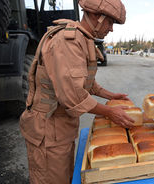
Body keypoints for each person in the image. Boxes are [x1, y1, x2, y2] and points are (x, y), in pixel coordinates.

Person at [19, 0, 134, 183]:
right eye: (110, 22)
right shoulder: (68, 42)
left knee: (65, 176)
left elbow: (83, 82)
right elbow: (72, 96)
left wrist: (109, 95)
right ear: (97, 16)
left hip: (59, 130)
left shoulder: (82, 38)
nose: (111, 29)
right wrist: (110, 112)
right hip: (47, 133)